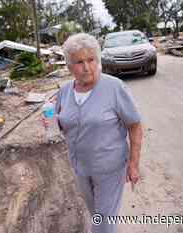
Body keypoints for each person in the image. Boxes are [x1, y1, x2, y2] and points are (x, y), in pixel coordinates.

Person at [50, 33, 144, 233]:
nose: (86, 67)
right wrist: (51, 121)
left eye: (91, 60)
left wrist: (134, 164)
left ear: (98, 60)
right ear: (69, 67)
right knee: (98, 214)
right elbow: (63, 123)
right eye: (79, 62)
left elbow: (135, 125)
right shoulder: (65, 91)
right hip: (81, 168)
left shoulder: (114, 87)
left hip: (110, 168)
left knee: (102, 224)